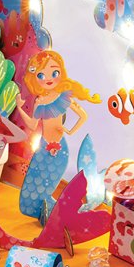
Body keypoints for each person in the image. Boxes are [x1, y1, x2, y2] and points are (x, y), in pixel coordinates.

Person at [15, 50, 101, 220]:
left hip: (59, 149)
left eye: (54, 73)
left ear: (61, 73)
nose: (48, 79)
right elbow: (32, 125)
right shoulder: (39, 100)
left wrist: (69, 131)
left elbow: (83, 116)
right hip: (43, 148)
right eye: (41, 75)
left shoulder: (64, 97)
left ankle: (53, 212)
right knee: (35, 179)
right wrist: (19, 107)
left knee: (50, 181)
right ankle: (41, 211)